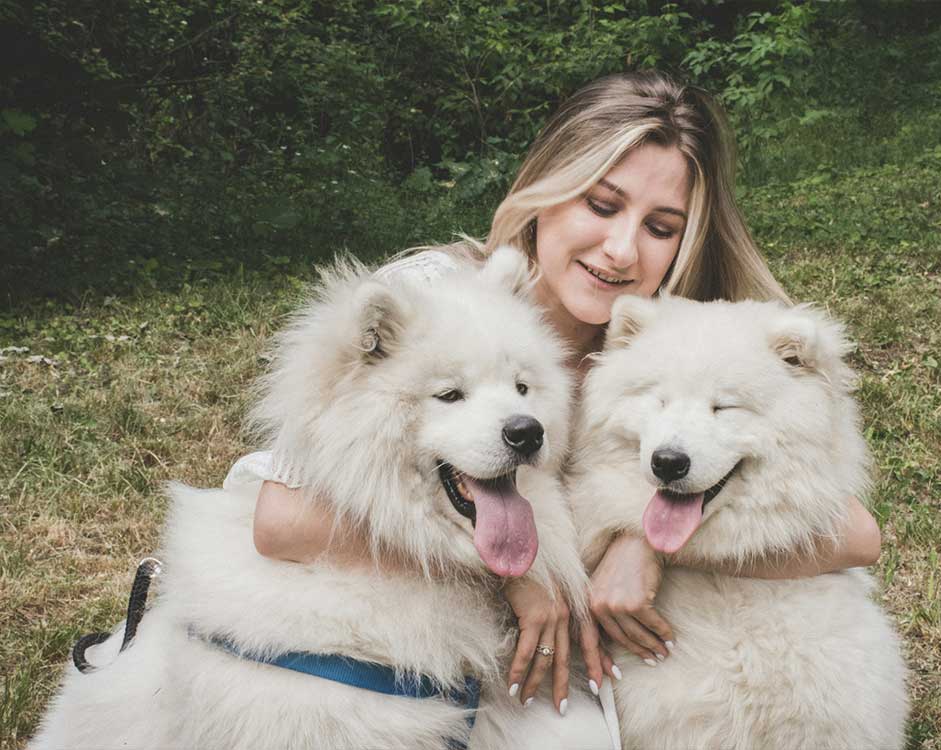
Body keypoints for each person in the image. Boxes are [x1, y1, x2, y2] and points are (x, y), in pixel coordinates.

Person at [228, 70, 881, 744]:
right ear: (547, 189)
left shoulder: (674, 340)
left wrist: (650, 545)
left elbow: (858, 536)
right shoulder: (441, 298)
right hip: (415, 621)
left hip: (562, 646)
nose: (622, 249)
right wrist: (518, 573)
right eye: (601, 205)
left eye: (660, 227)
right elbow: (280, 520)